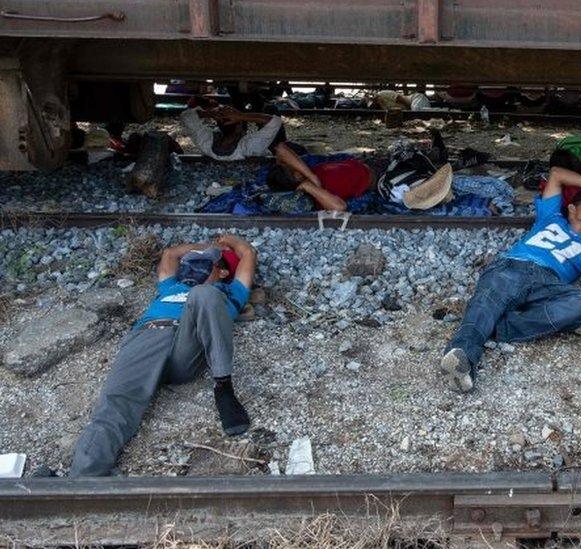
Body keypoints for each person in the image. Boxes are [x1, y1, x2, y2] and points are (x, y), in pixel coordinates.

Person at [69, 234, 257, 476]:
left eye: (204, 264)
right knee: (116, 402)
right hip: (146, 337)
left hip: (186, 347)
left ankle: (223, 386)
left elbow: (248, 254)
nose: (192, 267)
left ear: (221, 272)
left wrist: (228, 239)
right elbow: (170, 253)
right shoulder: (170, 286)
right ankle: (85, 474)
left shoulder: (229, 292)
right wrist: (205, 249)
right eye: (190, 263)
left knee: (203, 294)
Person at [440, 167, 581, 393]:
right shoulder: (551, 217)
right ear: (571, 208)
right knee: (488, 299)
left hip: (549, 283)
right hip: (513, 266)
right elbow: (557, 173)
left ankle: (499, 328)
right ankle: (462, 361)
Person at [265, 146, 376, 212]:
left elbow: (280, 149)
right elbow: (340, 207)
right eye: (292, 169)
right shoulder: (316, 193)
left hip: (364, 163)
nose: (294, 165)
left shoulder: (308, 175)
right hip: (377, 176)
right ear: (296, 178)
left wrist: (311, 176)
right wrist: (308, 186)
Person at [179, 102, 287, 161]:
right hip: (269, 149)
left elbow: (186, 116)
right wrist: (242, 116)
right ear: (240, 126)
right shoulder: (248, 147)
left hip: (233, 131)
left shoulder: (206, 143)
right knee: (270, 109)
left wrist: (209, 113)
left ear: (217, 123)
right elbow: (275, 121)